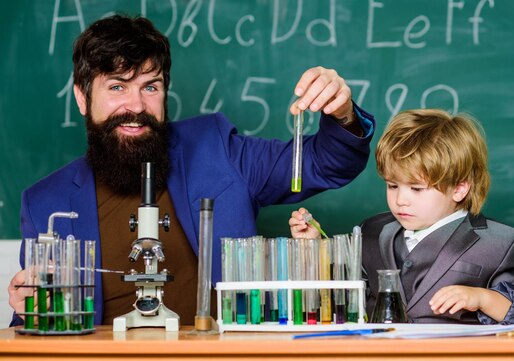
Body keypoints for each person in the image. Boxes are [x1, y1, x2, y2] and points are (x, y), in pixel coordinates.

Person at [8, 14, 375, 326]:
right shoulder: (46, 203)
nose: (136, 105)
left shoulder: (217, 150)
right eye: (117, 87)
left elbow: (327, 165)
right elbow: (35, 325)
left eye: (149, 86)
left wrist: (341, 112)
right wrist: (29, 309)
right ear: (82, 97)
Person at [289, 109, 514, 324]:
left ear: (459, 187)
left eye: (416, 188)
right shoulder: (372, 231)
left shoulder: (500, 243)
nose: (401, 199)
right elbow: (341, 301)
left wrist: (482, 298)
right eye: (392, 186)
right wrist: (313, 249)